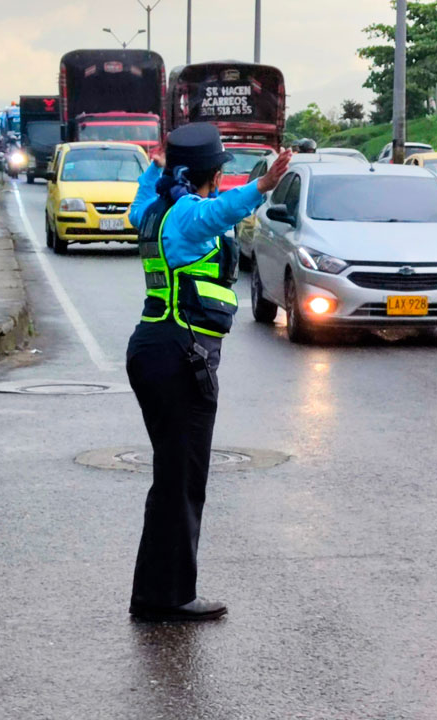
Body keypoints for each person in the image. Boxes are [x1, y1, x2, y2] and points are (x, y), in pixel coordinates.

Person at [124, 123, 291, 622]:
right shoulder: (185, 214)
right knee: (183, 480)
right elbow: (217, 212)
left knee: (172, 479)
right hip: (180, 355)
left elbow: (138, 207)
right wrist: (260, 188)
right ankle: (170, 596)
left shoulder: (154, 211)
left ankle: (156, 592)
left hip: (159, 349)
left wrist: (153, 168)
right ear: (214, 175)